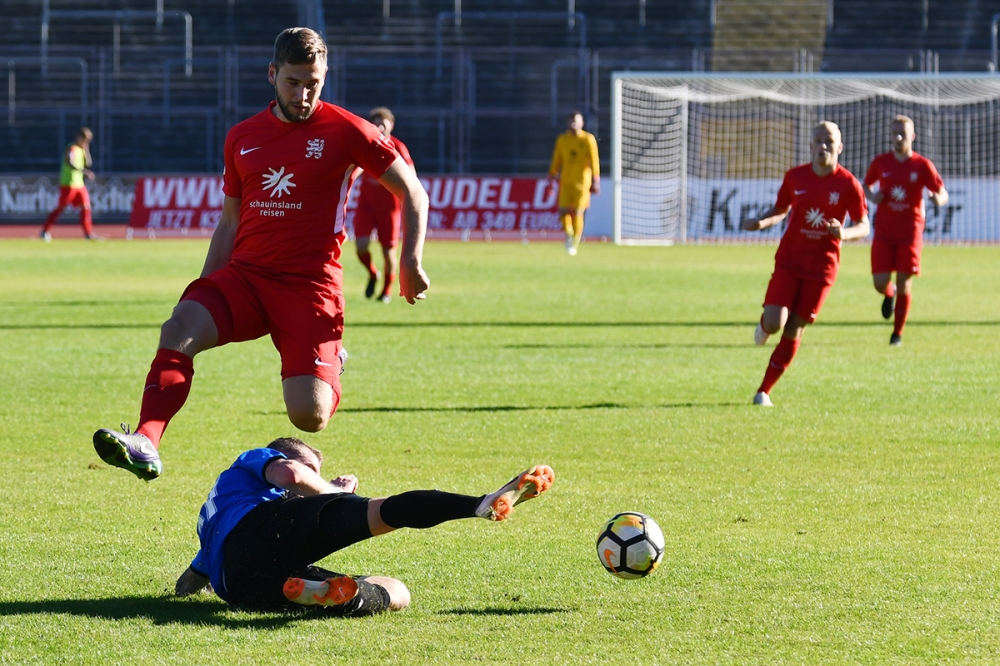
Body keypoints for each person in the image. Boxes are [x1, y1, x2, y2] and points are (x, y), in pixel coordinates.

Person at [92, 28, 430, 481]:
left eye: (313, 82)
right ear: (272, 74)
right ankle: (147, 441)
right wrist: (201, 289)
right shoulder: (242, 137)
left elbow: (413, 191)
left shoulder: (348, 130)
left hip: (311, 288)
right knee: (178, 327)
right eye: (293, 81)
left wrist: (410, 260)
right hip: (247, 279)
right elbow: (229, 222)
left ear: (325, 76)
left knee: (309, 417)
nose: (303, 93)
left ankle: (333, 362)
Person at [173, 436, 555, 616]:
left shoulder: (215, 518)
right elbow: (290, 473)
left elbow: (187, 583)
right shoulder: (251, 464)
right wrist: (331, 495)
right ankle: (478, 504)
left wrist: (184, 596)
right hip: (265, 529)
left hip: (240, 585)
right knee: (385, 512)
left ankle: (349, 595)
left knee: (395, 591)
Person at [741, 121, 870, 406]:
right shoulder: (795, 177)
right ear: (810, 145)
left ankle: (764, 391)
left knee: (794, 329)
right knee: (775, 322)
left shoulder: (848, 184)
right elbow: (780, 209)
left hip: (822, 268)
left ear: (840, 147)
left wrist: (844, 233)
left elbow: (864, 226)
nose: (823, 145)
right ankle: (764, 325)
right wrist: (762, 222)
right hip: (790, 260)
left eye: (829, 140)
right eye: (818, 140)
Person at [862, 115, 947, 346]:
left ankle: (896, 334)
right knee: (880, 282)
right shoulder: (881, 163)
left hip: (911, 232)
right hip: (884, 232)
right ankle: (888, 295)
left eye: (903, 133)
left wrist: (937, 199)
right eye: (895, 133)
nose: (898, 137)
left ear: (913, 136)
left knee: (904, 283)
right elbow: (866, 185)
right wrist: (872, 196)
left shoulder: (922, 165)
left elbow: (942, 192)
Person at [353, 107, 415, 303]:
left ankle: (386, 291)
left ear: (391, 126)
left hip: (389, 208)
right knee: (361, 246)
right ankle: (373, 273)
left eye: (384, 123)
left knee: (388, 252)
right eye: (376, 123)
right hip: (366, 206)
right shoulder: (364, 145)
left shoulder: (398, 148)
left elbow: (411, 177)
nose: (380, 126)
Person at [547, 111, 600, 256]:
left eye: (576, 121)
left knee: (578, 213)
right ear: (567, 123)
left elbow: (594, 160)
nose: (573, 124)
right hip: (566, 181)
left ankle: (574, 243)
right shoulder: (562, 140)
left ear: (582, 123)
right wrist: (552, 176)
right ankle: (569, 234)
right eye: (571, 121)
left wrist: (596, 180)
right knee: (563, 212)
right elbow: (556, 159)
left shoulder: (588, 139)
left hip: (583, 183)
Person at [41, 127, 99, 241]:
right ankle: (45, 231)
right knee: (61, 208)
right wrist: (84, 172)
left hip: (79, 184)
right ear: (79, 137)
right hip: (68, 184)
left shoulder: (82, 149)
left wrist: (86, 150)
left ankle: (88, 234)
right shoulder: (71, 148)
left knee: (86, 207)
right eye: (85, 140)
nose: (86, 142)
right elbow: (69, 162)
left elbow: (89, 163)